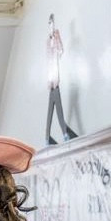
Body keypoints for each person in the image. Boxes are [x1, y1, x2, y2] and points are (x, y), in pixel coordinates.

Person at [45, 14, 76, 145]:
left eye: (52, 23)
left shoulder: (55, 38)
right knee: (52, 111)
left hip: (55, 79)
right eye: (49, 24)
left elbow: (60, 51)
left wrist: (56, 39)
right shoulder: (48, 41)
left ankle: (61, 134)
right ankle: (50, 136)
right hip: (51, 81)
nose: (51, 27)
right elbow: (48, 57)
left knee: (57, 110)